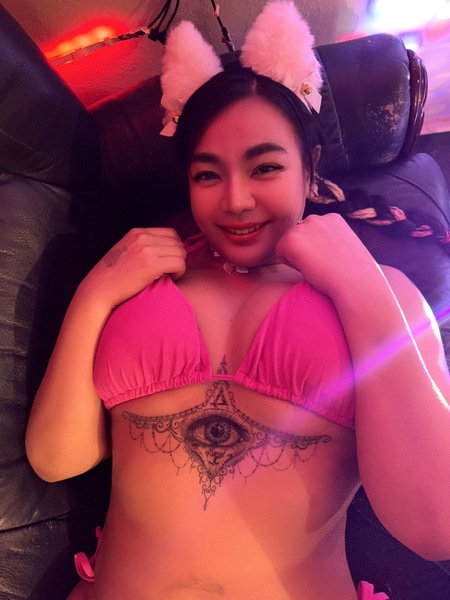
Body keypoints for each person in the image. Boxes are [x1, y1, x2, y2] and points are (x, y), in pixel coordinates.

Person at [25, 2, 450, 599]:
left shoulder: (385, 292)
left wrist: (358, 282)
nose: (236, 200)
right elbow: (56, 458)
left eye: (265, 167)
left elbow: (435, 524)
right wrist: (95, 294)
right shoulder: (136, 281)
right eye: (208, 174)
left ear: (310, 168)